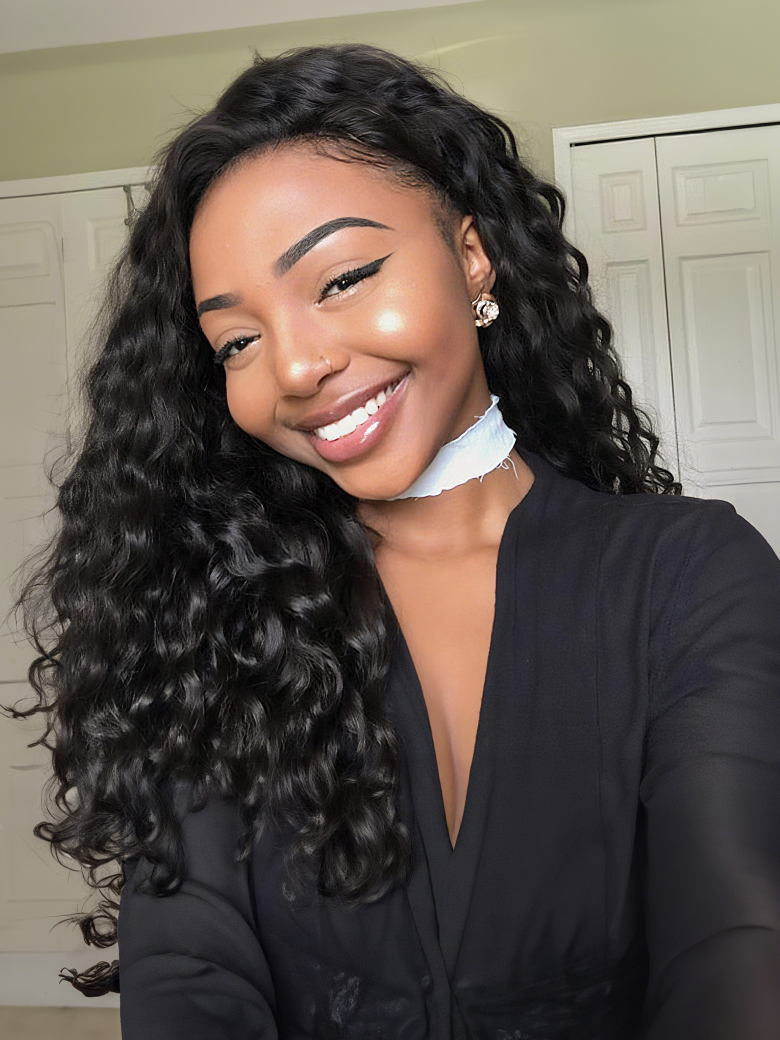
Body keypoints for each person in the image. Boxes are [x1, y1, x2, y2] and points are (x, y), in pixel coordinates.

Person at [10, 42, 780, 1039]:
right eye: (237, 340)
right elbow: (189, 973)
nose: (295, 366)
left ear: (472, 256)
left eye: (341, 278)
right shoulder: (210, 612)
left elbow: (734, 943)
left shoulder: (689, 576)